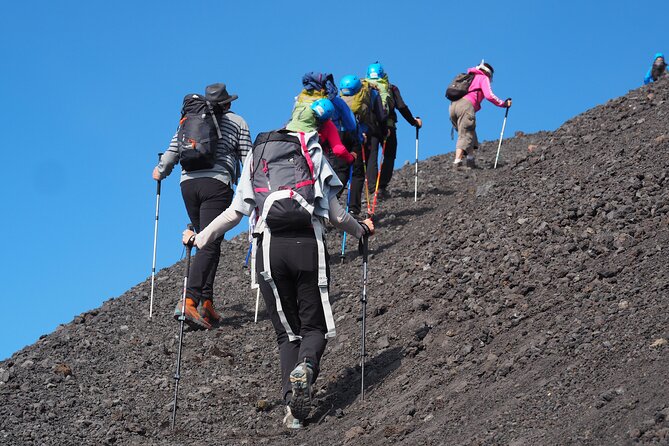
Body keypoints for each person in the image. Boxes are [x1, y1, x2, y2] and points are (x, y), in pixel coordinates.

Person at [181, 127, 375, 429]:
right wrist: (361, 229)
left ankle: (293, 410)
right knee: (314, 327)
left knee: (286, 334)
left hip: (268, 250)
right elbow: (337, 216)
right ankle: (307, 367)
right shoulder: (311, 151)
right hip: (308, 245)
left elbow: (235, 213)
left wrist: (200, 237)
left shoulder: (256, 159)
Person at [153, 83, 252, 329]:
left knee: (209, 242)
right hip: (216, 184)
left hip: (188, 185)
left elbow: (174, 149)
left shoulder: (189, 120)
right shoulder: (237, 121)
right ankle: (189, 300)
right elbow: (247, 157)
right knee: (207, 242)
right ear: (228, 103)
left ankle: (207, 303)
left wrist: (160, 171)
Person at [365, 63, 422, 198]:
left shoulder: (363, 87)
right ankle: (382, 187)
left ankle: (372, 188)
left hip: (369, 127)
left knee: (372, 155)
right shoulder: (391, 88)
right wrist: (413, 122)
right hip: (388, 125)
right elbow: (401, 107)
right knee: (389, 155)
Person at [339, 74, 387, 216]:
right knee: (357, 173)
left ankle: (329, 203)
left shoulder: (341, 96)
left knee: (340, 171)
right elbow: (381, 116)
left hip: (340, 135)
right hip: (360, 135)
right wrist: (384, 132)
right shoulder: (371, 93)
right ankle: (353, 209)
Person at [449, 61, 511, 169]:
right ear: (488, 73)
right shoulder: (483, 78)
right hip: (466, 106)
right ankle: (457, 163)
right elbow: (489, 95)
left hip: (453, 106)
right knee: (465, 134)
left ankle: (470, 160)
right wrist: (503, 104)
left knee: (469, 131)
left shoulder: (470, 77)